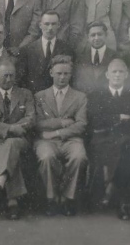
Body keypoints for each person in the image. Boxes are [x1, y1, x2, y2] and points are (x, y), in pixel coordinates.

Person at [0, 60, 36, 220]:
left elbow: (30, 118)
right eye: (4, 76)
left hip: (19, 139)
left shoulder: (25, 94)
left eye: (11, 76)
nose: (8, 79)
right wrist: (10, 129)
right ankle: (12, 201)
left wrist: (16, 130)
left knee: (10, 146)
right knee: (10, 153)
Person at [87, 59, 130, 220]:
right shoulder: (96, 95)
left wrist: (110, 120)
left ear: (126, 75)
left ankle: (114, 194)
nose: (117, 75)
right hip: (102, 138)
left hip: (126, 139)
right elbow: (94, 120)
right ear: (107, 75)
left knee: (126, 150)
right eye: (114, 72)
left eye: (121, 72)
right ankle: (119, 198)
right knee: (120, 151)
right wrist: (118, 117)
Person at [33, 55, 89, 217]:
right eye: (59, 73)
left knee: (79, 157)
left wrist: (56, 132)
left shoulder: (80, 97)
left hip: (71, 140)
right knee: (46, 157)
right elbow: (37, 123)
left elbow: (81, 124)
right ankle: (51, 198)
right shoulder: (39, 96)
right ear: (51, 73)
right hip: (45, 140)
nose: (62, 77)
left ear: (71, 74)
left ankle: (67, 198)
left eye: (66, 73)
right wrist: (61, 122)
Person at [19, 10, 73, 93]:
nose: (50, 28)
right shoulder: (27, 49)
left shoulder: (67, 49)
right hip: (34, 97)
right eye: (47, 24)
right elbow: (22, 80)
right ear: (40, 25)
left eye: (53, 24)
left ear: (59, 25)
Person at [73, 21, 117, 95]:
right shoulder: (80, 57)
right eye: (93, 35)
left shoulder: (115, 56)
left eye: (100, 34)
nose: (96, 38)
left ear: (106, 35)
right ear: (88, 38)